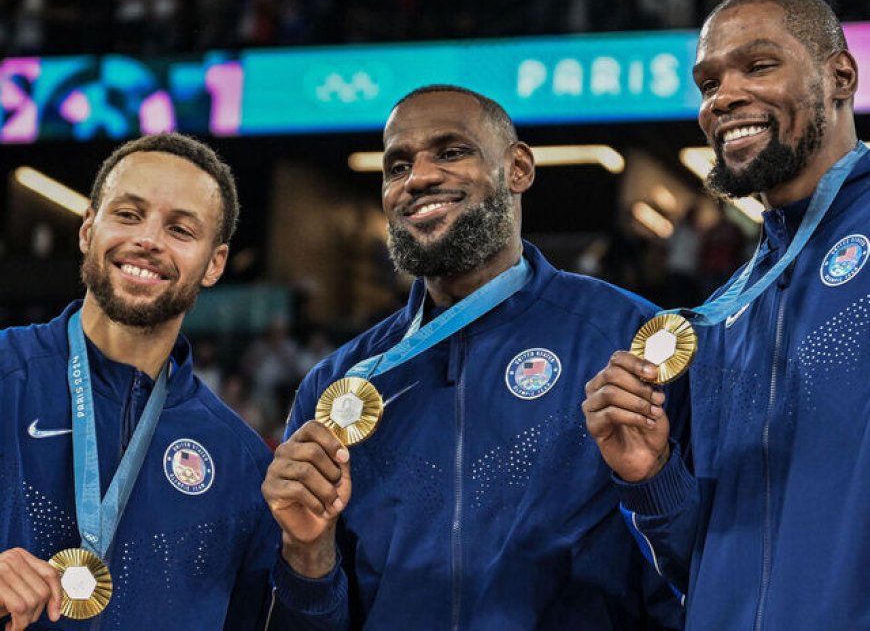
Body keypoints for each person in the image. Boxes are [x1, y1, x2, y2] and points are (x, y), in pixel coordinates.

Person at [262, 85, 685, 630]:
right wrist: (306, 552)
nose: (417, 178)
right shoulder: (340, 386)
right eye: (397, 166)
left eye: (451, 151)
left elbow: (700, 577)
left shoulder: (630, 341)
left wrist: (655, 480)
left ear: (519, 167)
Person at [582, 0, 870, 630]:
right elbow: (699, 568)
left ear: (839, 76)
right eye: (709, 82)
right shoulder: (717, 318)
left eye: (758, 65)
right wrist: (650, 475)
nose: (724, 97)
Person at [0, 133, 279, 630]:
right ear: (88, 229)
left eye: (180, 229)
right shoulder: (6, 374)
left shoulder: (242, 462)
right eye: (128, 215)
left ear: (214, 264)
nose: (148, 240)